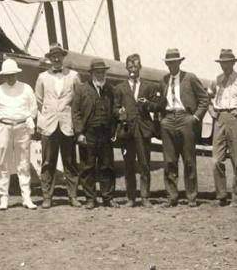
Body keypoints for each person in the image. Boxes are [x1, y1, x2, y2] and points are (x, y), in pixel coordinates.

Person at [152, 48, 209, 207]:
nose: (171, 65)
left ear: (179, 62)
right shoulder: (163, 80)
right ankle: (172, 196)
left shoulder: (189, 78)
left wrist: (195, 117)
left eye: (174, 62)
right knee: (169, 160)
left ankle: (191, 196)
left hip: (186, 119)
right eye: (169, 63)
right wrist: (162, 120)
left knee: (189, 160)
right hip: (168, 120)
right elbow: (160, 103)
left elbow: (204, 99)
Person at [34, 43, 81, 208]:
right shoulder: (42, 77)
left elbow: (77, 100)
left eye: (58, 55)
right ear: (49, 58)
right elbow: (39, 101)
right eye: (53, 55)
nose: (56, 58)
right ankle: (47, 196)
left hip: (67, 125)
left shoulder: (74, 76)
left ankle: (73, 196)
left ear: (63, 56)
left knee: (70, 162)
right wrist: (49, 115)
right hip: (49, 125)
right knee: (48, 162)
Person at [0, 58, 38, 210]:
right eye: (7, 75)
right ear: (3, 75)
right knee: (3, 162)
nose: (10, 77)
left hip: (22, 127)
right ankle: (3, 198)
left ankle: (26, 197)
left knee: (23, 163)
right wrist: (4, 122)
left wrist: (28, 119)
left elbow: (34, 108)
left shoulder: (26, 88)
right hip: (4, 127)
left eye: (13, 74)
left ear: (17, 74)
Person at [72, 58, 117, 209]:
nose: (100, 75)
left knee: (107, 166)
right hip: (88, 133)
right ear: (91, 74)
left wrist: (114, 129)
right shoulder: (81, 89)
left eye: (102, 72)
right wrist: (79, 133)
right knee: (87, 167)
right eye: (97, 72)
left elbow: (115, 111)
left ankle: (108, 197)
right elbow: (76, 113)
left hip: (105, 133)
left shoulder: (110, 90)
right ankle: (90, 199)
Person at [207, 49, 237, 207]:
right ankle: (221, 194)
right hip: (220, 118)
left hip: (236, 119)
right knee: (216, 159)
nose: (224, 66)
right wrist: (212, 111)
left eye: (227, 63)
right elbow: (208, 96)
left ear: (233, 63)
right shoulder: (217, 80)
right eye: (222, 63)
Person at [113, 53, 157, 207]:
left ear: (140, 68)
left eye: (136, 66)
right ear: (126, 68)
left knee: (144, 164)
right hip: (127, 131)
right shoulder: (119, 88)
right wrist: (119, 113)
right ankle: (131, 198)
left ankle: (145, 197)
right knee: (128, 164)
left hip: (143, 130)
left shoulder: (148, 86)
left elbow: (156, 105)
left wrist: (147, 104)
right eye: (130, 67)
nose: (133, 69)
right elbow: (115, 108)